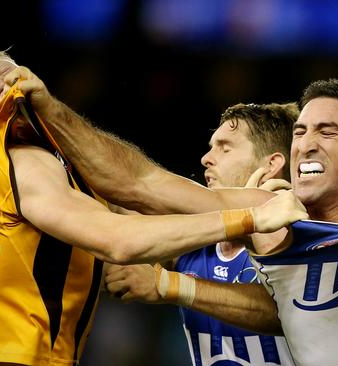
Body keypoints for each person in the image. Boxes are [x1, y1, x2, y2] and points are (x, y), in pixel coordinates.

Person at [0, 28, 307, 366]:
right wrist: (252, 217)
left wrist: (248, 213)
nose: (3, 84)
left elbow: (140, 188)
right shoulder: (22, 163)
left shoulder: (53, 166)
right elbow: (122, 233)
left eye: (5, 70)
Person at [20, 73, 338, 364]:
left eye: (327, 133)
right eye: (300, 132)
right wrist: (46, 117)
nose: (306, 144)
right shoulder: (271, 215)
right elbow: (138, 185)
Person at [105, 102, 299, 365]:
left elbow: (285, 311)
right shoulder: (194, 239)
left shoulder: (301, 234)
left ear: (271, 164)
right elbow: (122, 197)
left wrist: (166, 284)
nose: (206, 158)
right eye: (211, 147)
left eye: (225, 147)